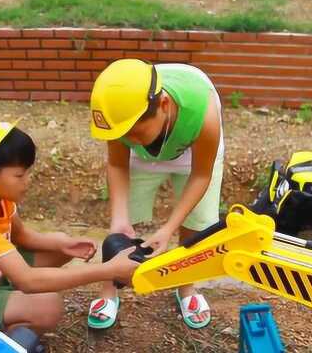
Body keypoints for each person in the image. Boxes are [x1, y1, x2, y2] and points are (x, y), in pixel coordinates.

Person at [0, 119, 140, 334]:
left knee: (56, 249)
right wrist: (109, 270)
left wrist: (63, 244)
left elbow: (23, 237)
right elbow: (27, 280)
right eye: (19, 175)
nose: (27, 181)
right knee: (47, 307)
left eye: (28, 172)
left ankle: (10, 310)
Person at [87, 59, 225, 329]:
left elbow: (201, 175)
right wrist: (119, 219)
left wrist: (169, 228)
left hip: (190, 149)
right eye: (125, 136)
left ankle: (186, 287)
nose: (130, 140)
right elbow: (117, 163)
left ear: (163, 106)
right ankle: (109, 289)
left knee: (195, 223)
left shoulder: (204, 114)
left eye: (136, 134)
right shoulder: (121, 114)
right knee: (121, 224)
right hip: (142, 156)